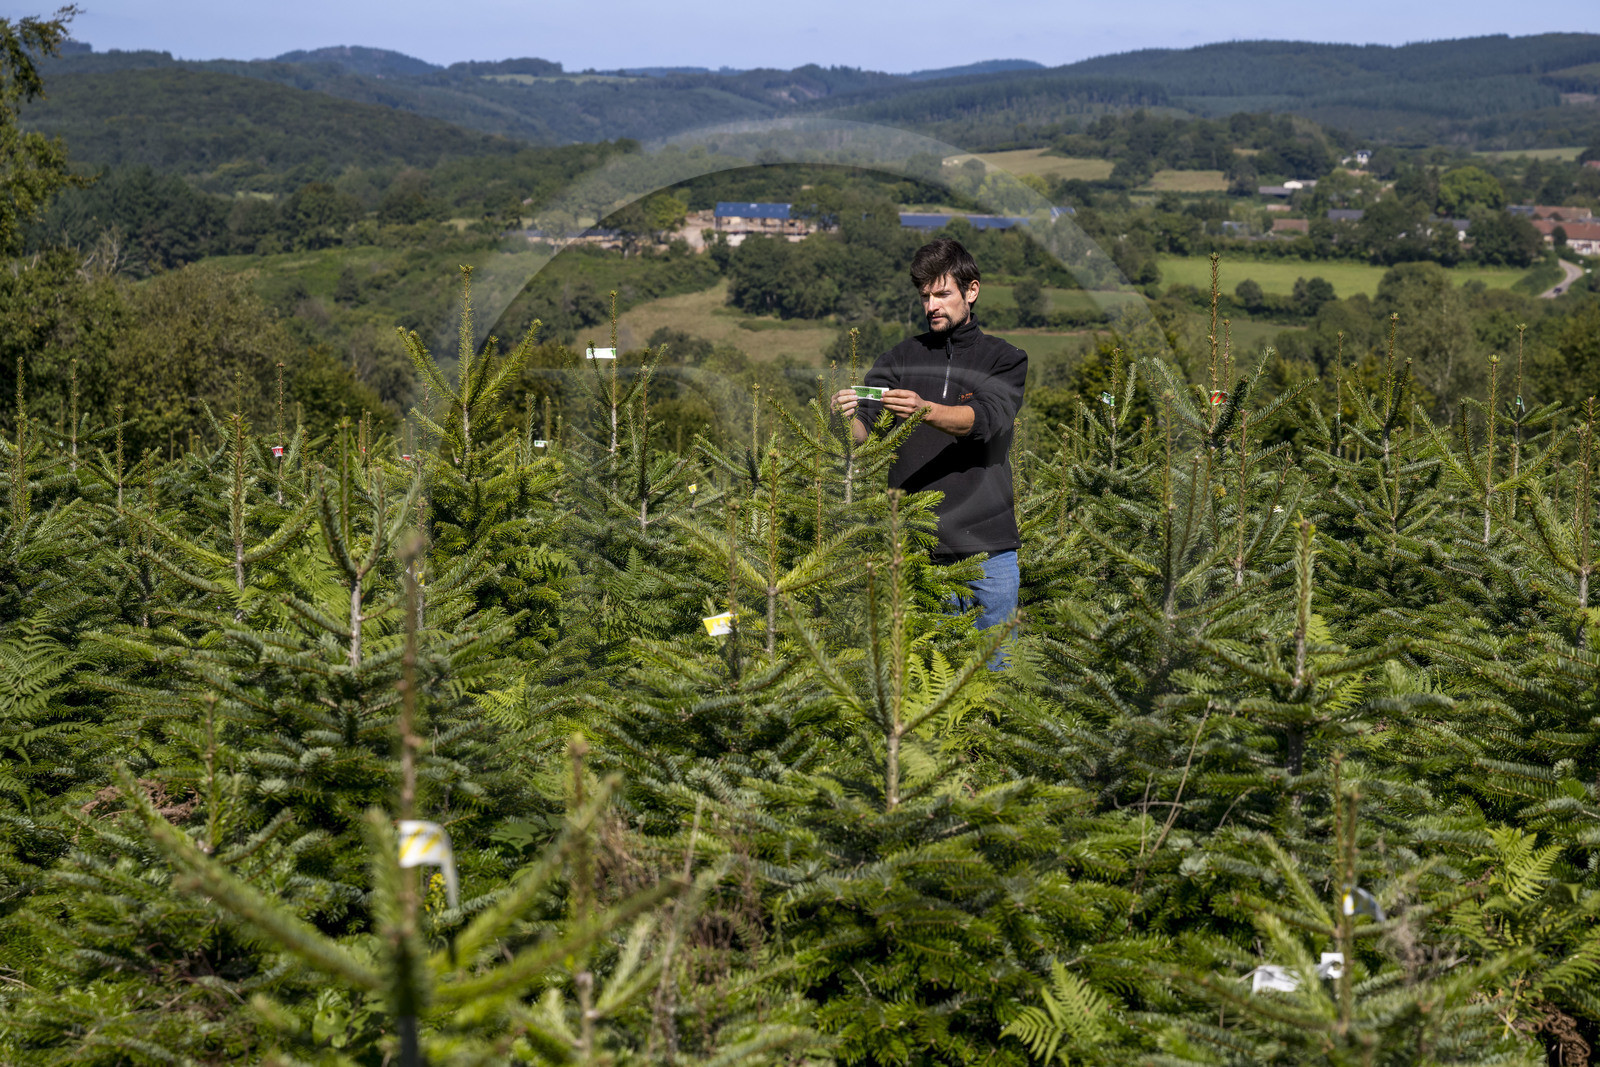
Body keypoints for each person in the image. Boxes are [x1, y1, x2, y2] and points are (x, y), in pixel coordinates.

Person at [831, 238, 1027, 666]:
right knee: (922, 674)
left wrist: (925, 410)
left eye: (942, 294)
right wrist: (843, 420)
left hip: (989, 552)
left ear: (971, 291)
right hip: (917, 550)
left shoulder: (1005, 359)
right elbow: (864, 429)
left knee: (999, 675)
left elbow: (988, 419)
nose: (932, 306)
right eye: (925, 297)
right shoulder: (900, 358)